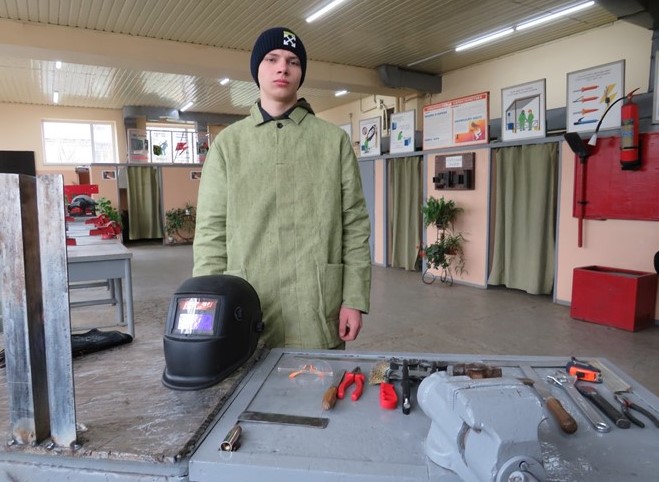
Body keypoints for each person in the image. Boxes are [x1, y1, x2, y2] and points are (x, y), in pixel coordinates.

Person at [193, 27, 372, 349]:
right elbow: (211, 229)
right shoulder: (229, 144)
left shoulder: (333, 141)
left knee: (317, 378)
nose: (282, 68)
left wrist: (354, 298)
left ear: (301, 73)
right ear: (256, 69)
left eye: (293, 61)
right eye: (272, 59)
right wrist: (207, 302)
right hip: (247, 297)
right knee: (245, 376)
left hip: (317, 301)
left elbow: (355, 224)